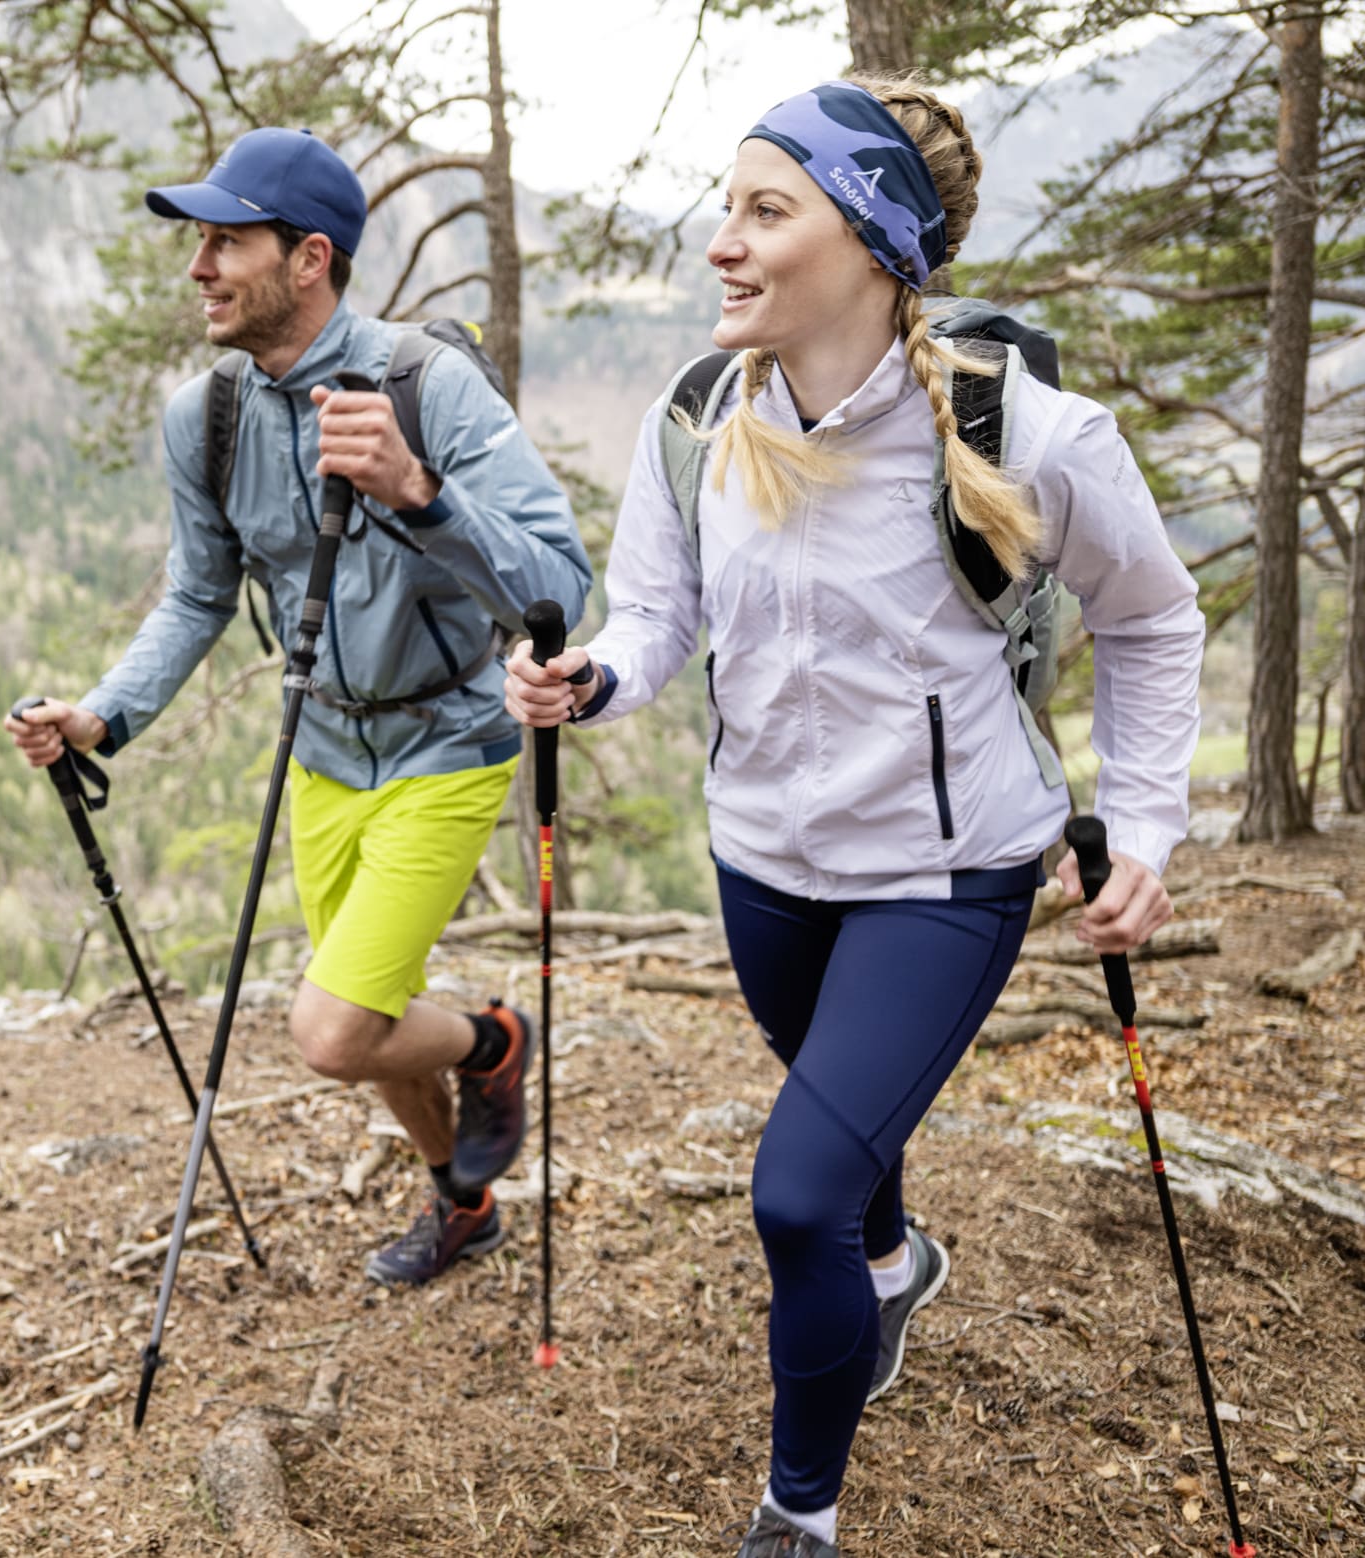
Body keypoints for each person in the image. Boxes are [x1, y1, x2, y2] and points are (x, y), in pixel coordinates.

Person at [504, 79, 1202, 1557]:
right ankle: (890, 1267)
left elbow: (1146, 616)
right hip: (760, 864)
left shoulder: (1028, 434)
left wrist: (1139, 827)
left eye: (767, 211)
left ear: (872, 239)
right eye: (728, 207)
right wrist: (592, 675)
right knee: (848, 1152)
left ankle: (796, 1513)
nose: (722, 244)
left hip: (941, 877)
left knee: (794, 1191)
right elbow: (655, 610)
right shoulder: (697, 418)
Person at [8, 127, 593, 1289]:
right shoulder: (207, 419)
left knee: (332, 1028)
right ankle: (460, 1201)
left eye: (226, 242)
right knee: (370, 1027)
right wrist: (103, 715)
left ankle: (490, 1042)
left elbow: (557, 588)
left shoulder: (429, 386)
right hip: (324, 749)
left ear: (309, 257)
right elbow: (196, 594)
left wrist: (417, 492)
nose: (198, 267)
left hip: (448, 742)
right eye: (199, 243)